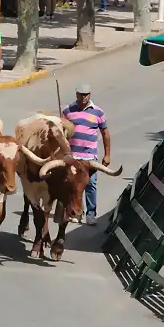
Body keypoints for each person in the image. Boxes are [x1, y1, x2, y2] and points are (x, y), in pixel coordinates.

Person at [62, 84, 111, 226]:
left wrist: (107, 155)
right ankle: (76, 212)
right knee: (73, 186)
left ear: (90, 95)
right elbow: (62, 133)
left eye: (86, 94)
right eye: (81, 94)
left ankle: (91, 213)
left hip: (89, 158)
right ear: (76, 94)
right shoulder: (67, 111)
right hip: (73, 156)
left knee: (90, 184)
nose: (83, 97)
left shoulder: (98, 113)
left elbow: (105, 134)